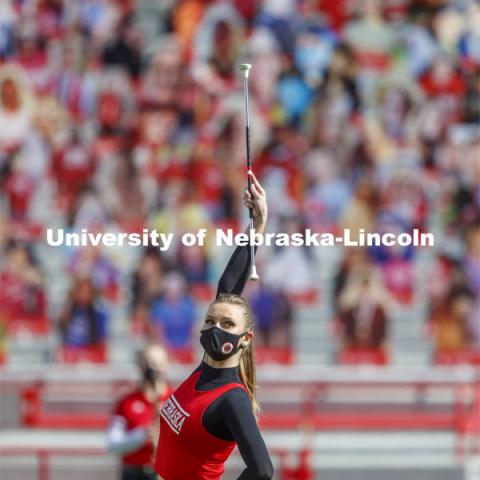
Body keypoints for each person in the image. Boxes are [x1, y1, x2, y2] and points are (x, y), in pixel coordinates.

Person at [154, 172, 274, 479]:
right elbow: (227, 289)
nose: (215, 327)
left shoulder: (232, 398)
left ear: (245, 339)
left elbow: (261, 470)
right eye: (210, 320)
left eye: (226, 323)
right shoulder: (203, 373)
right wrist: (256, 225)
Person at [107, 344, 172, 480]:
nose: (152, 367)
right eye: (147, 362)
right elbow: (112, 444)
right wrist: (141, 436)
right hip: (133, 473)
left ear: (165, 365)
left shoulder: (176, 399)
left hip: (165, 472)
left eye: (157, 363)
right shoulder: (126, 401)